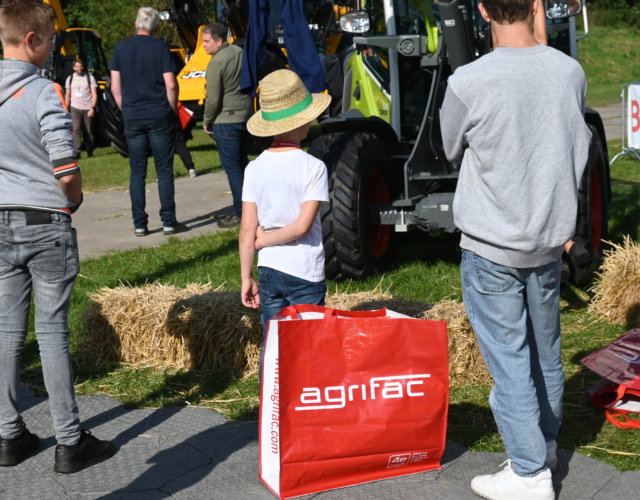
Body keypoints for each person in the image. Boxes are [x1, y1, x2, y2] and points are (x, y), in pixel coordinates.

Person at [439, 0, 591, 499]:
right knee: (545, 353)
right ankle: (542, 448)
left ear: (482, 10)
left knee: (510, 362)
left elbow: (449, 147)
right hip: (548, 240)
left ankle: (529, 473)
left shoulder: (468, 80)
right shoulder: (569, 72)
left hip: (492, 245)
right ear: (534, 6)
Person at [0, 0, 115, 473]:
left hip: (0, 218)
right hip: (45, 221)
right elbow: (65, 167)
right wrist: (75, 198)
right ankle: (70, 441)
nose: (53, 50)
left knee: (7, 331)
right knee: (51, 332)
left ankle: (9, 433)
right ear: (31, 41)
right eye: (50, 40)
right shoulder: (44, 91)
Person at [239, 69, 331, 334]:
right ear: (302, 122)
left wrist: (247, 276)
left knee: (274, 343)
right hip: (304, 269)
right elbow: (302, 226)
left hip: (268, 269)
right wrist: (264, 240)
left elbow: (247, 228)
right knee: (309, 343)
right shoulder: (313, 167)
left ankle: (270, 378)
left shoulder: (254, 168)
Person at [110, 7, 187, 237]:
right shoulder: (160, 48)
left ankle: (139, 223)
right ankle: (169, 221)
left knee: (137, 172)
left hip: (133, 115)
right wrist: (171, 109)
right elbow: (171, 84)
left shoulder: (121, 49)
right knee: (164, 169)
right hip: (158, 113)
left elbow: (115, 87)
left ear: (136, 24)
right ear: (155, 27)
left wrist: (127, 110)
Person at [201, 22, 252, 229]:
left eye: (207, 41)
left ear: (219, 41)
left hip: (225, 120)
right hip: (245, 116)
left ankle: (241, 213)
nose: (203, 45)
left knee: (234, 170)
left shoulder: (216, 62)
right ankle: (255, 207)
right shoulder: (240, 52)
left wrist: (206, 120)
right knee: (243, 165)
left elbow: (212, 98)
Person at [64, 58, 98, 158]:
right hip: (75, 108)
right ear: (73, 67)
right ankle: (77, 152)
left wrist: (93, 108)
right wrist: (66, 108)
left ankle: (90, 152)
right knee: (76, 129)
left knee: (89, 130)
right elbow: (67, 95)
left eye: (81, 66)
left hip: (88, 107)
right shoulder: (69, 79)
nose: (80, 68)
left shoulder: (89, 77)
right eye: (77, 66)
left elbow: (94, 94)